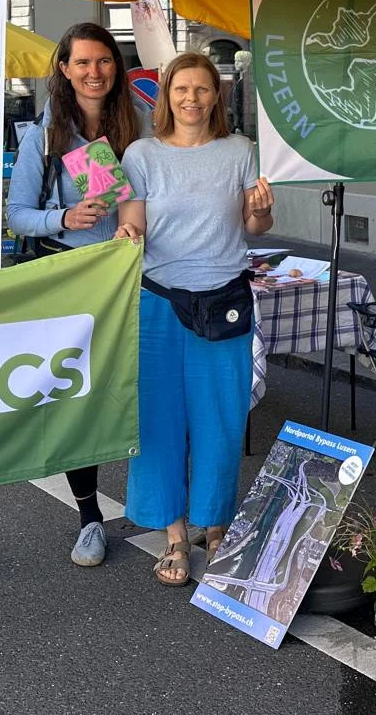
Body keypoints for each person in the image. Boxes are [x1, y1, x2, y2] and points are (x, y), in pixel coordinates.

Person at [113, 51, 273, 585]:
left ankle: (216, 525)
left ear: (216, 96)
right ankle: (176, 535)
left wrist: (262, 209)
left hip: (225, 298)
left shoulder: (240, 150)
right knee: (158, 420)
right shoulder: (141, 154)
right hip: (157, 300)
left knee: (220, 419)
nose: (191, 99)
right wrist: (126, 232)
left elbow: (255, 224)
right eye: (181, 88)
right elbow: (134, 222)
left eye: (202, 89)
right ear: (166, 95)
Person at [7, 22, 148, 568]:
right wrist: (63, 216)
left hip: (136, 279)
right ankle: (90, 516)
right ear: (64, 69)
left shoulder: (139, 125)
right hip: (71, 281)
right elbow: (18, 215)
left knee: (140, 394)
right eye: (83, 62)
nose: (94, 72)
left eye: (104, 61)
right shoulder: (45, 136)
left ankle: (161, 508)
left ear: (117, 66)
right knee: (79, 400)